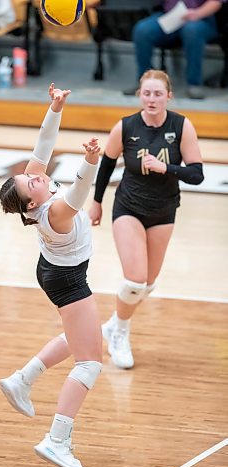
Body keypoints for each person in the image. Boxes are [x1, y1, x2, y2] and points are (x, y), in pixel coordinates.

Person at [0, 83, 103, 467]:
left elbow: (44, 145)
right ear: (32, 204)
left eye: (34, 178)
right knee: (90, 361)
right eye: (32, 183)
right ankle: (57, 439)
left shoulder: (35, 195)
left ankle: (21, 380)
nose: (36, 176)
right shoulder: (55, 211)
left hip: (54, 270)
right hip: (66, 279)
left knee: (78, 337)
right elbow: (78, 194)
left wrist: (55, 108)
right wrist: (90, 161)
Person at [89, 69, 204, 369]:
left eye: (158, 93)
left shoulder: (181, 126)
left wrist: (168, 169)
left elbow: (197, 174)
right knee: (135, 280)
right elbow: (106, 165)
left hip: (164, 210)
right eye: (147, 93)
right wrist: (97, 202)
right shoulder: (126, 126)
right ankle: (120, 336)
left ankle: (114, 323)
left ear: (169, 96)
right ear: (140, 95)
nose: (152, 99)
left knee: (148, 284)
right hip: (129, 206)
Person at [124, 0, 224, 99]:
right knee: (142, 30)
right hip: (169, 16)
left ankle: (194, 83)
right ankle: (146, 82)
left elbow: (216, 2)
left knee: (192, 30)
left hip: (201, 17)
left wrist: (198, 13)